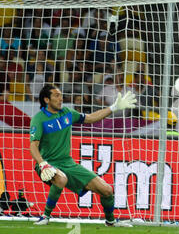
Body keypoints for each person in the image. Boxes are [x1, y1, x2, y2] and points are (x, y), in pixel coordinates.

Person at [30, 84, 137, 226]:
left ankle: (110, 221)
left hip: (67, 163)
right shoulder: (39, 119)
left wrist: (113, 108)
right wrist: (42, 163)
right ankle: (45, 216)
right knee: (61, 179)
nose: (61, 98)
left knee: (107, 190)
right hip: (47, 163)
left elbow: (91, 118)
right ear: (46, 100)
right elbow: (33, 146)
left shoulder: (67, 113)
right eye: (56, 95)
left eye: (61, 95)